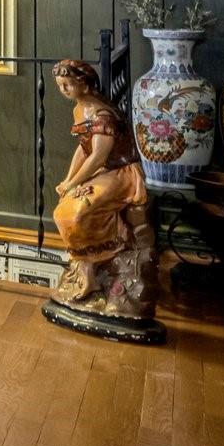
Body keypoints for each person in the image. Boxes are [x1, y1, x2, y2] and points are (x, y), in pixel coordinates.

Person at [49, 57, 156, 321]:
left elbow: (97, 157)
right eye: (60, 85)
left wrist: (74, 183)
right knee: (63, 209)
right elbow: (83, 149)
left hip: (122, 173)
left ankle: (107, 252)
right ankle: (85, 270)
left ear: (84, 84)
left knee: (77, 212)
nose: (63, 90)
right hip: (104, 170)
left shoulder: (102, 116)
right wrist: (68, 180)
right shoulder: (80, 110)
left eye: (67, 84)